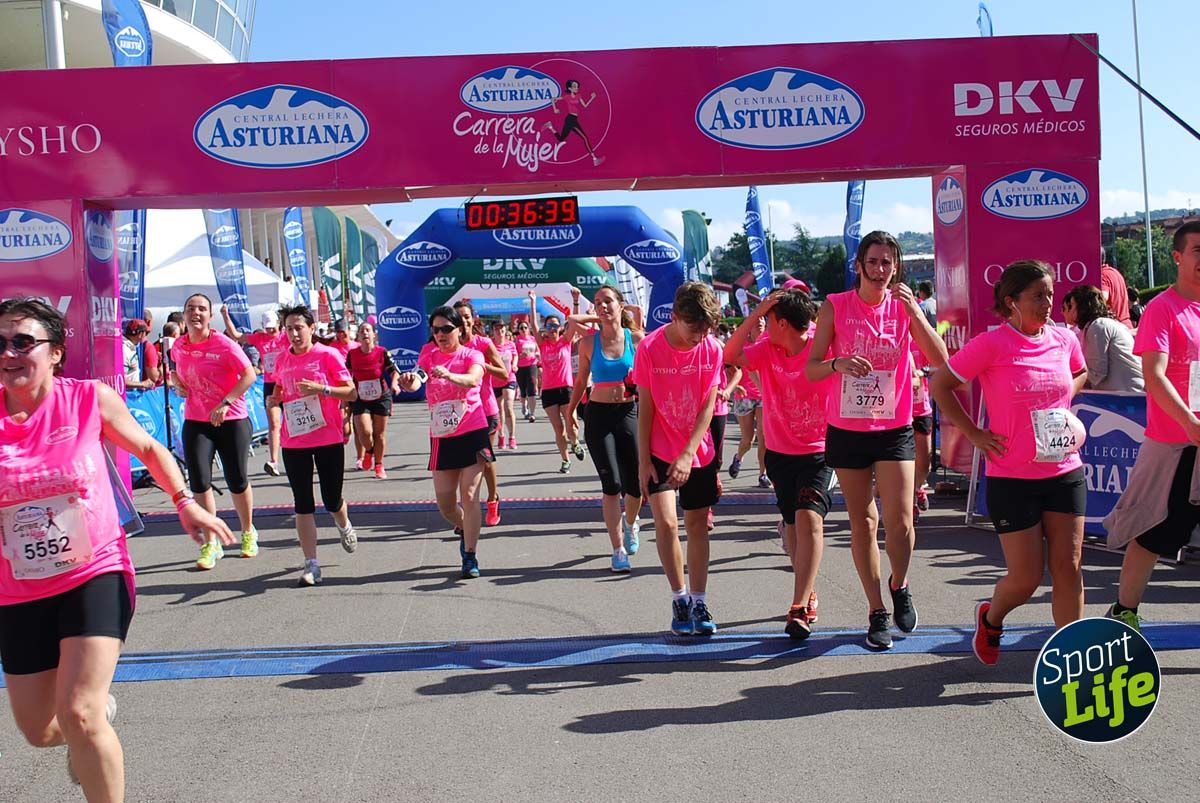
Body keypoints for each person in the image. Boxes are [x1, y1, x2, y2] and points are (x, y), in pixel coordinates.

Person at [0, 297, 234, 800]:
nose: (9, 352)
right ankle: (92, 722)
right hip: (16, 589)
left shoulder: (87, 399)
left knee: (79, 712)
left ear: (56, 351)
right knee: (41, 730)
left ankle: (90, 726)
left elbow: (150, 450)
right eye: (0, 343)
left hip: (93, 571)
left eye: (23, 341)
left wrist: (185, 502)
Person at [932, 261, 1089, 665]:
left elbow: (1081, 371)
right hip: (1011, 475)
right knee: (1026, 579)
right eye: (1038, 295)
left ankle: (1072, 656)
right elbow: (940, 384)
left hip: (1063, 469)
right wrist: (974, 434)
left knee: (1069, 567)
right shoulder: (992, 344)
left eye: (1051, 294)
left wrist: (1061, 403)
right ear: (1011, 301)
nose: (1048, 302)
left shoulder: (1064, 338)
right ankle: (992, 616)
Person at [804, 230, 948, 651]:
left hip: (893, 426)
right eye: (874, 261)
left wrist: (917, 317)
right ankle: (876, 610)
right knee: (863, 522)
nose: (881, 270)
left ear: (896, 266)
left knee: (901, 521)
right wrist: (838, 363)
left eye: (888, 262)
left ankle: (899, 584)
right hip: (848, 428)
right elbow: (811, 368)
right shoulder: (835, 306)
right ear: (860, 265)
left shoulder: (906, 307)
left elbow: (940, 358)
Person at [1103, 221, 1200, 631]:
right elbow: (1155, 376)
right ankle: (1124, 611)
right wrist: (1191, 423)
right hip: (1177, 446)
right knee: (1154, 532)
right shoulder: (1164, 308)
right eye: (1198, 251)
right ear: (1177, 257)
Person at [726, 289, 833, 639]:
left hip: (821, 449)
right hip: (780, 452)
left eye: (769, 320)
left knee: (809, 519)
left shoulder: (823, 343)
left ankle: (799, 606)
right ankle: (808, 590)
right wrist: (758, 312)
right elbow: (729, 355)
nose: (765, 325)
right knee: (792, 524)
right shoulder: (766, 349)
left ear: (782, 323)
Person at [633, 282, 723, 636]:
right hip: (658, 448)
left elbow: (708, 407)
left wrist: (688, 454)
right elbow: (646, 407)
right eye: (694, 328)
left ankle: (699, 600)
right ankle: (679, 596)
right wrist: (643, 460)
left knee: (698, 525)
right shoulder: (651, 348)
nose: (700, 336)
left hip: (697, 451)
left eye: (707, 328)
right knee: (667, 523)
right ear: (674, 317)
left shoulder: (712, 349)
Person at [398, 306, 493, 579]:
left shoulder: (471, 354)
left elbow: (474, 378)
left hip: (473, 429)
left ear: (459, 329)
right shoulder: (428, 354)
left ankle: (470, 555)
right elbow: (419, 379)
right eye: (436, 329)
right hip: (442, 435)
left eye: (446, 329)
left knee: (471, 495)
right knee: (446, 505)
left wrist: (450, 375)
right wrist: (409, 382)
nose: (440, 334)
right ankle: (464, 527)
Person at [268, 304, 359, 586]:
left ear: (311, 329)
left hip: (327, 437)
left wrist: (323, 390)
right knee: (302, 503)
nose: (294, 334)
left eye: (299, 328)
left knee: (332, 499)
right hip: (294, 440)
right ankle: (311, 564)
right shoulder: (282, 359)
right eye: (289, 329)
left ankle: (343, 524)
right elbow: (278, 390)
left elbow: (352, 392)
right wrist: (275, 400)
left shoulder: (327, 355)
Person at [172, 293, 261, 569]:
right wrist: (177, 383)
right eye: (190, 309)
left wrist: (226, 402)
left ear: (210, 315)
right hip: (197, 419)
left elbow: (250, 375)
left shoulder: (223, 344)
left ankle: (248, 531)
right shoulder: (179, 345)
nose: (195, 313)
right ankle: (211, 542)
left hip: (231, 419)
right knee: (199, 481)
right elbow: (175, 371)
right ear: (184, 315)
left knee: (237, 480)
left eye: (201, 309)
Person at [564, 286, 645, 572]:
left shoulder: (636, 339)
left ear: (621, 305)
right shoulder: (587, 343)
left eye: (607, 301)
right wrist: (570, 411)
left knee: (635, 485)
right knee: (611, 485)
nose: (602, 306)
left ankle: (632, 523)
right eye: (597, 303)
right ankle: (617, 548)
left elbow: (649, 382)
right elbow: (581, 381)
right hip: (597, 415)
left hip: (629, 412)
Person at [455, 301, 509, 527]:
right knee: (461, 461)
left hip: (485, 410)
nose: (463, 321)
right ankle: (467, 505)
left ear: (473, 319)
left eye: (467, 317)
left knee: (484, 459)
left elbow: (504, 374)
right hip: (459, 412)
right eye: (458, 317)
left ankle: (493, 498)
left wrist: (482, 366)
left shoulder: (483, 343)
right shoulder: (449, 345)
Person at [221, 307, 288, 477]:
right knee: (274, 423)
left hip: (288, 383)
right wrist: (225, 315)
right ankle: (273, 461)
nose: (270, 330)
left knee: (292, 421)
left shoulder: (286, 337)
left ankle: (301, 453)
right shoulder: (259, 338)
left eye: (273, 327)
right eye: (267, 327)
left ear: (279, 324)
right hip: (270, 385)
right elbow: (236, 335)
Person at [529, 291, 582, 473]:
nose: (552, 329)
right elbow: (533, 325)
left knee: (571, 425)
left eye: (555, 325)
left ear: (560, 327)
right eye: (549, 325)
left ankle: (575, 442)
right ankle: (565, 460)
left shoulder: (565, 342)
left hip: (566, 389)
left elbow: (574, 322)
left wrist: (575, 301)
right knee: (559, 429)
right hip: (549, 391)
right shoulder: (543, 344)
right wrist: (533, 302)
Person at [1062, 286, 1144, 392]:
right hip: (1128, 393)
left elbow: (1096, 374)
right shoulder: (1100, 325)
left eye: (1072, 305)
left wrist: (1064, 380)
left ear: (1082, 307)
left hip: (1128, 396)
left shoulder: (1098, 326)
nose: (1069, 310)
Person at [347, 321, 401, 479]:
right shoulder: (352, 354)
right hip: (360, 397)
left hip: (381, 396)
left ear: (374, 335)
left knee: (379, 434)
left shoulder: (382, 352)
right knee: (364, 432)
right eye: (362, 331)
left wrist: (395, 383)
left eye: (368, 330)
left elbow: (394, 371)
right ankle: (369, 451)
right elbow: (346, 374)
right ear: (358, 336)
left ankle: (379, 465)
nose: (365, 333)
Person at [729, 315, 770, 488]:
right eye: (757, 323)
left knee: (763, 436)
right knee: (748, 439)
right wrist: (733, 386)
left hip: (764, 395)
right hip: (744, 395)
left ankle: (763, 474)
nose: (760, 326)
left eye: (763, 323)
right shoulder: (742, 345)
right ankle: (738, 457)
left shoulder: (769, 342)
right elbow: (728, 367)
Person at [542, 79, 604, 166]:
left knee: (561, 139)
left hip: (573, 119)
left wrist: (592, 98)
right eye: (574, 86)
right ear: (570, 88)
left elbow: (585, 105)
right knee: (585, 138)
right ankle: (594, 159)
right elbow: (553, 98)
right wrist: (555, 109)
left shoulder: (578, 96)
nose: (576, 88)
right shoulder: (567, 97)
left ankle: (550, 126)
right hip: (570, 120)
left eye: (577, 86)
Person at [911, 343, 934, 516]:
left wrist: (922, 372)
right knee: (900, 462)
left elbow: (940, 364)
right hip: (893, 411)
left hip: (920, 409)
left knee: (924, 463)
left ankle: (918, 487)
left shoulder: (919, 338)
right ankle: (909, 504)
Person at [492, 322, 520, 450]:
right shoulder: (490, 345)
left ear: (505, 329)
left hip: (509, 378)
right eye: (496, 329)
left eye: (501, 328)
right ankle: (501, 435)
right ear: (493, 331)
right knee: (499, 410)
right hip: (495, 381)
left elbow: (515, 355)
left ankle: (512, 437)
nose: (499, 331)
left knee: (508, 407)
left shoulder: (510, 344)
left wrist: (514, 364)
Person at [121, 319, 159, 391]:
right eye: (146, 332)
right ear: (141, 334)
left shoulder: (130, 347)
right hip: (127, 397)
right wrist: (142, 384)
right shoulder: (124, 350)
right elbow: (120, 380)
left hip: (132, 396)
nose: (146, 335)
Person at [514, 319, 540, 423]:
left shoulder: (533, 339)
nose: (524, 330)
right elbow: (514, 355)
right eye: (521, 328)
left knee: (532, 390)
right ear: (519, 330)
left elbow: (538, 350)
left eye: (525, 327)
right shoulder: (517, 340)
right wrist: (521, 356)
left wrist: (537, 355)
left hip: (532, 365)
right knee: (523, 390)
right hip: (521, 367)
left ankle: (532, 413)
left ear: (528, 329)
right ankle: (524, 406)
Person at [1099, 261, 1133, 329]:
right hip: (1126, 325)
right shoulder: (1115, 272)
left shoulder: (1102, 275)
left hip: (1115, 328)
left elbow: (1103, 297)